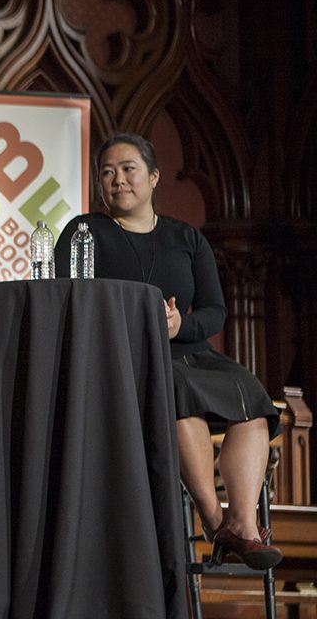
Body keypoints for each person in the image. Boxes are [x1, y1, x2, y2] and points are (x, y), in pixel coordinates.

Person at [56, 132, 281, 569]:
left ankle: (245, 526)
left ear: (154, 177)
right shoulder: (84, 233)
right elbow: (68, 301)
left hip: (191, 350)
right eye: (107, 172)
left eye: (128, 169)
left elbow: (216, 311)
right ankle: (214, 519)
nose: (117, 180)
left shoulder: (186, 238)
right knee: (177, 393)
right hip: (128, 357)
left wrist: (181, 324)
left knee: (252, 401)